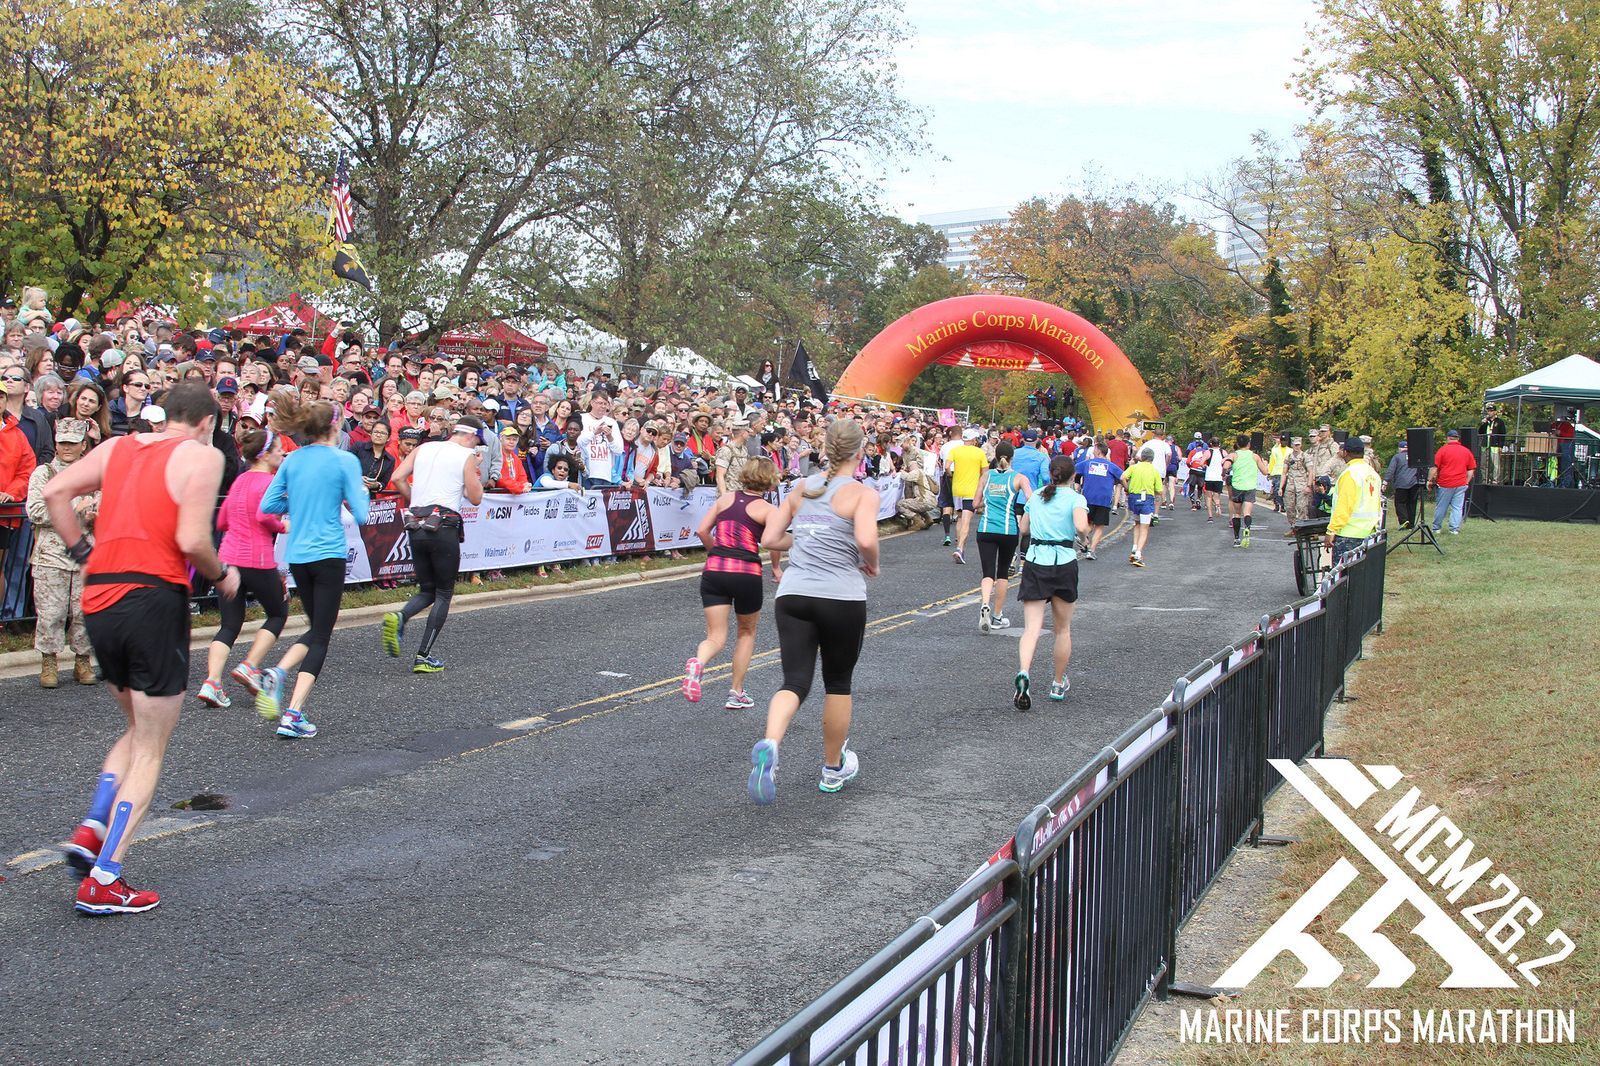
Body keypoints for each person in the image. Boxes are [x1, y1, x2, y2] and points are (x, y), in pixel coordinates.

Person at [45, 381, 240, 914]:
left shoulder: (117, 446)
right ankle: (105, 878)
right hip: (153, 597)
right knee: (152, 746)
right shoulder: (200, 457)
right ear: (205, 422)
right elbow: (192, 540)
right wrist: (223, 576)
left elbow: (52, 493)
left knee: (134, 727)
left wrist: (84, 552)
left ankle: (92, 828)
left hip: (101, 596)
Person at [748, 418, 879, 805]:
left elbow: (770, 538)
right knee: (837, 682)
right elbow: (866, 538)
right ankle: (832, 768)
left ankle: (771, 743)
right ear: (859, 453)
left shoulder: (800, 489)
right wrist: (871, 561)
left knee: (795, 681)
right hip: (840, 594)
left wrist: (805, 538)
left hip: (794, 593)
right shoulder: (861, 493)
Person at [256, 392, 371, 737]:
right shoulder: (344, 460)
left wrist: (300, 501)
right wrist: (357, 494)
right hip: (329, 554)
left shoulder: (292, 460)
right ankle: (291, 709)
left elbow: (268, 505)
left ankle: (279, 676)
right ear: (334, 425)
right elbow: (362, 515)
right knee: (322, 633)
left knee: (317, 626)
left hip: (298, 555)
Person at [382, 416, 487, 672]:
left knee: (427, 588)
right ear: (472, 437)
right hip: (443, 525)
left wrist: (416, 500)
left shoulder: (422, 447)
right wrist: (476, 470)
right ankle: (423, 657)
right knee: (443, 592)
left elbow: (397, 477)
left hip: (416, 522)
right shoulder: (466, 456)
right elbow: (476, 498)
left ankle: (401, 616)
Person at [198, 427, 291, 708]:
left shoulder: (238, 481)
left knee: (229, 624)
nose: (283, 453)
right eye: (278, 450)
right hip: (256, 558)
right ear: (265, 454)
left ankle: (212, 682)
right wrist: (280, 525)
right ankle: (250, 665)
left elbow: (222, 522)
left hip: (228, 559)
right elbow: (265, 515)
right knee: (278, 612)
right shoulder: (270, 482)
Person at [683, 457, 780, 709]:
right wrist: (777, 568)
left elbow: (703, 531)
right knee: (746, 633)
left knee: (715, 636)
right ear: (769, 481)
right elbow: (773, 541)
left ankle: (698, 664)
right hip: (746, 572)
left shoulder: (724, 500)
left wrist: (716, 553)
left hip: (715, 569)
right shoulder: (768, 510)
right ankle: (736, 692)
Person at [25, 418, 98, 688]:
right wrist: (72, 511)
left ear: (83, 444)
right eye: (62, 442)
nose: (67, 448)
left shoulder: (92, 475)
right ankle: (49, 661)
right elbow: (35, 511)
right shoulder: (44, 473)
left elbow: (105, 506)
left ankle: (83, 660)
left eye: (72, 443)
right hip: (51, 554)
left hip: (85, 554)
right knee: (50, 612)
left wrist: (94, 515)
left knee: (84, 612)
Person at [1014, 456, 1088, 709]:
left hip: (1036, 561)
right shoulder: (1076, 498)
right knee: (1062, 629)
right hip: (1064, 561)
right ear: (1072, 476)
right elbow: (1081, 526)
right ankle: (1057, 682)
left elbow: (1023, 529)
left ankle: (1024, 671)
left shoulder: (1036, 496)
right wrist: (1084, 537)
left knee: (1031, 629)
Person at [974, 442, 1031, 632]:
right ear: (1012, 457)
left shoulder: (986, 476)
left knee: (987, 572)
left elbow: (975, 503)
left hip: (986, 528)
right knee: (1003, 572)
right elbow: (1031, 500)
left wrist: (988, 502)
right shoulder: (1019, 478)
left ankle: (984, 603)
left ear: (996, 457)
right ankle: (997, 616)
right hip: (1008, 530)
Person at [1324, 436, 1382, 562]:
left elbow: (1344, 506)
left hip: (1349, 534)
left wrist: (1331, 530)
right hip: (1369, 533)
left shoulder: (1350, 474)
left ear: (1345, 452)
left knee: (1342, 577)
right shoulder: (1373, 474)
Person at [946, 428, 988, 564]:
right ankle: (959, 548)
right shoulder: (979, 452)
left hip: (957, 488)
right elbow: (985, 473)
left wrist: (951, 475)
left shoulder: (955, 450)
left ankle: (960, 546)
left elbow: (947, 466)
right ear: (974, 440)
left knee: (959, 517)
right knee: (966, 520)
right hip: (972, 490)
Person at [1075, 442, 1122, 560]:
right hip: (1104, 499)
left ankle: (1082, 537)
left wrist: (1077, 484)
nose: (1092, 451)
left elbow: (1074, 470)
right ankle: (1091, 550)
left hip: (1088, 498)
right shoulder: (1111, 466)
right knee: (1099, 526)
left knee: (1089, 522)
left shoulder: (1087, 463)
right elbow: (1122, 476)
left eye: (1094, 449)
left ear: (1099, 451)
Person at [1428, 428, 1477, 536]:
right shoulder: (1466, 451)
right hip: (1460, 483)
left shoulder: (1443, 450)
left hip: (1446, 483)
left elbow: (1434, 467)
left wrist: (1429, 480)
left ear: (1448, 438)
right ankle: (1454, 529)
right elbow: (1471, 469)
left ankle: (1436, 528)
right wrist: (1466, 481)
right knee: (1457, 507)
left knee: (1441, 506)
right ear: (1458, 439)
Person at [1224, 434, 1269, 547]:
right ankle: (1247, 528)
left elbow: (1225, 466)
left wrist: (1224, 473)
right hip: (1250, 487)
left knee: (1237, 513)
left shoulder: (1234, 455)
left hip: (1237, 487)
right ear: (1249, 444)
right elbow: (1265, 472)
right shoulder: (1255, 456)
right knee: (1247, 512)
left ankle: (1236, 538)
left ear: (1237, 444)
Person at [1121, 447, 1162, 567]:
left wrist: (1127, 488)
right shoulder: (1154, 470)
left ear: (1142, 457)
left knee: (1137, 524)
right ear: (1152, 459)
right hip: (1146, 499)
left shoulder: (1134, 467)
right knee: (1145, 527)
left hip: (1134, 498)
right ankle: (1138, 554)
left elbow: (1122, 477)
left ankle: (1134, 548)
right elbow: (1159, 490)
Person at [1382, 438, 1422, 528]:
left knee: (1400, 503)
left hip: (1401, 484)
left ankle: (1404, 521)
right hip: (1414, 483)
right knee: (1412, 503)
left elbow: (1391, 470)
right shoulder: (1415, 456)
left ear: (1400, 448)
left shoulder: (1397, 457)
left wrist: (1385, 482)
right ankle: (1411, 523)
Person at [1479, 405, 1507, 484]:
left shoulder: (1499, 422)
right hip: (1485, 445)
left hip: (1495, 445)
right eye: (1488, 411)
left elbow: (1503, 434)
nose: (1489, 412)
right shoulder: (1486, 422)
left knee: (1495, 465)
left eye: (1491, 411)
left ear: (1495, 412)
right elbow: (1480, 432)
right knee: (1483, 464)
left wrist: (1501, 446)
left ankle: (1495, 480)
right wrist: (1483, 423)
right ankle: (1485, 479)